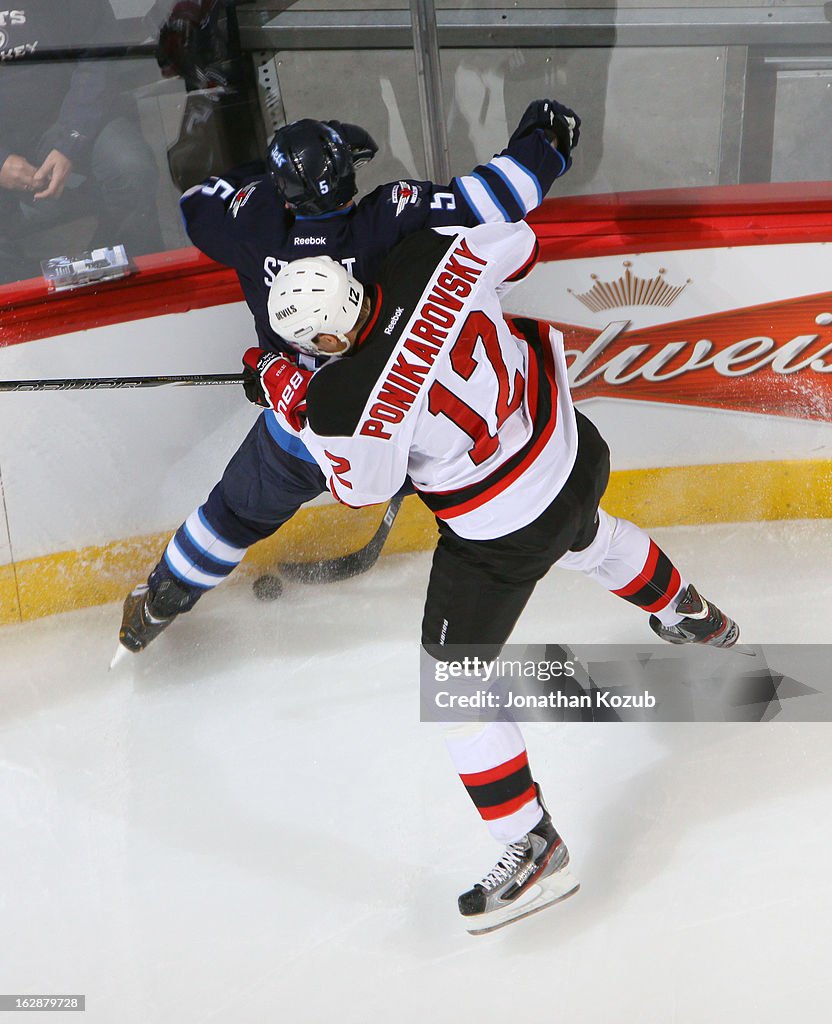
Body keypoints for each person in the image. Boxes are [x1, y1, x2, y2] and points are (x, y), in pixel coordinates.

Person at [254, 223, 740, 933]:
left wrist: (289, 398)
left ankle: (532, 846)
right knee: (591, 535)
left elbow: (362, 488)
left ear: (325, 344)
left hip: (505, 532)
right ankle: (691, 613)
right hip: (573, 452)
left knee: (454, 689)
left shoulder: (344, 399)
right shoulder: (427, 254)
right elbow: (520, 243)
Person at [117, 100, 582, 653]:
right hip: (398, 419)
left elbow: (197, 202)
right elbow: (501, 198)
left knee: (234, 512)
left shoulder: (255, 221)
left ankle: (158, 602)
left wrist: (267, 177)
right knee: (442, 465)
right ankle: (575, 540)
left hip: (300, 432)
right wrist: (547, 136)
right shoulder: (388, 215)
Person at [0, 0, 163, 283]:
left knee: (131, 166)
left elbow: (97, 59)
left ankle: (114, 278)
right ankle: (26, 293)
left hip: (67, 119)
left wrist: (70, 141)